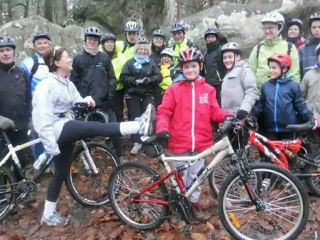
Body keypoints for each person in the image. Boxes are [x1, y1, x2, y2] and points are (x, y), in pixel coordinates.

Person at [32, 46, 155, 226]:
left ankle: (48, 214)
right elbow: (41, 117)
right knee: (95, 128)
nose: (70, 59)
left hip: (63, 125)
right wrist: (50, 145)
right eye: (67, 57)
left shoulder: (66, 82)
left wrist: (86, 100)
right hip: (56, 128)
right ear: (57, 62)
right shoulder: (46, 85)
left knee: (59, 173)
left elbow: (76, 100)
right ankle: (138, 126)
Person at [156, 47, 232, 220]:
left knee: (196, 177)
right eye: (186, 67)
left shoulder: (208, 90)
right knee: (179, 177)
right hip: (179, 143)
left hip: (201, 143)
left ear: (200, 66)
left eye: (194, 66)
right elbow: (164, 111)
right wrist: (162, 127)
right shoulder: (174, 89)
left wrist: (228, 116)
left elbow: (215, 111)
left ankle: (193, 203)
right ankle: (178, 205)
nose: (190, 70)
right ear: (181, 69)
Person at [252, 53, 315, 140]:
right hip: (271, 130)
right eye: (269, 67)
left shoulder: (293, 86)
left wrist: (310, 117)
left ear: (284, 69)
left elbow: (300, 105)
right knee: (271, 153)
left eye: (274, 68)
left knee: (289, 153)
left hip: (289, 129)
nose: (270, 70)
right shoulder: (265, 86)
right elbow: (261, 106)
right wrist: (252, 115)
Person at [120, 36, 162, 155]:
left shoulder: (151, 63)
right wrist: (134, 81)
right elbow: (123, 77)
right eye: (140, 49)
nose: (142, 51)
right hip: (133, 93)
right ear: (136, 50)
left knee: (149, 115)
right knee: (135, 116)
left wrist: (149, 79)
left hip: (148, 93)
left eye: (145, 49)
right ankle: (136, 142)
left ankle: (149, 140)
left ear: (148, 51)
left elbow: (159, 77)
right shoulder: (130, 62)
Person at [0, 36, 31, 189]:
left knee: (20, 161)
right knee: (2, 165)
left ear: (14, 52)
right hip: (1, 129)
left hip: (20, 126)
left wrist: (31, 118)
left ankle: (20, 192)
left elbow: (29, 98)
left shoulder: (22, 73)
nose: (5, 53)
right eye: (1, 51)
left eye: (8, 50)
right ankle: (2, 201)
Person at [20, 31, 53, 172]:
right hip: (35, 107)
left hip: (54, 106)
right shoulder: (29, 62)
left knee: (53, 134)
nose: (43, 45)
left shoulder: (55, 60)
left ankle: (53, 165)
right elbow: (21, 84)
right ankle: (40, 166)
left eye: (45, 42)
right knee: (38, 135)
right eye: (39, 43)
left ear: (50, 45)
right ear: (34, 46)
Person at [249, 11, 300, 90]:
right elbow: (250, 74)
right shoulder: (258, 48)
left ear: (279, 27)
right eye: (265, 28)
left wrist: (292, 95)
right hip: (260, 96)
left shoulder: (289, 47)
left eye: (270, 27)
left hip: (282, 96)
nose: (266, 31)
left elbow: (294, 76)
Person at [101, 32, 127, 157]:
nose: (110, 44)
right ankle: (109, 137)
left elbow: (124, 71)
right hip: (104, 90)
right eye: (107, 42)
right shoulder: (100, 56)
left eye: (111, 42)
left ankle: (118, 136)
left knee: (119, 113)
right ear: (103, 44)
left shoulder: (121, 56)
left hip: (118, 89)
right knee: (107, 113)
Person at [220, 42, 258, 120]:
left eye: (230, 57)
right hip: (229, 118)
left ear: (238, 57)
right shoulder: (227, 74)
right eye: (225, 58)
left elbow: (251, 91)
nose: (227, 60)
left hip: (241, 117)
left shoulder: (244, 70)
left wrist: (244, 110)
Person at [300, 44, 320, 158]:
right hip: (314, 119)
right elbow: (301, 95)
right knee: (312, 147)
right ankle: (312, 173)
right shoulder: (309, 74)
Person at [203, 27, 227, 105]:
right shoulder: (206, 53)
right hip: (208, 83)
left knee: (219, 104)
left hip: (219, 83)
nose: (210, 39)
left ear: (216, 38)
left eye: (212, 37)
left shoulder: (221, 51)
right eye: (208, 37)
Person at [299, 11, 320, 77]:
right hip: (308, 86)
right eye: (314, 27)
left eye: (319, 27)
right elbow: (299, 73)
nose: (317, 30)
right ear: (310, 29)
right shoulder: (303, 49)